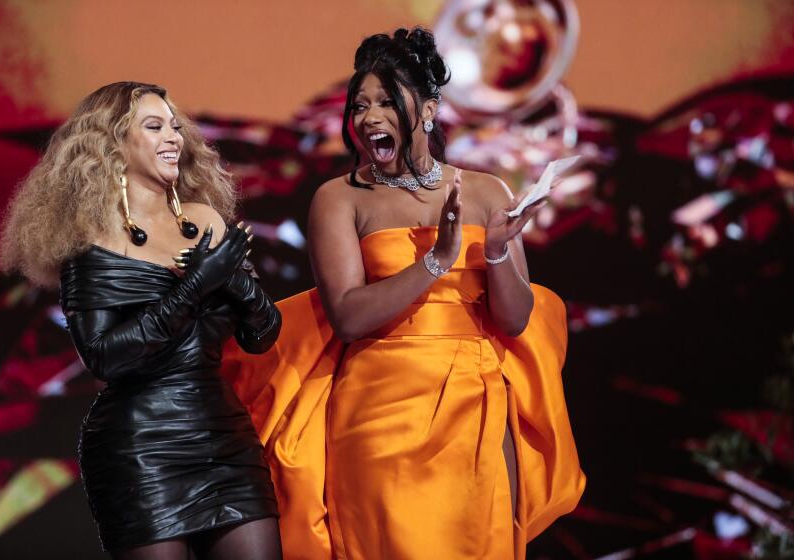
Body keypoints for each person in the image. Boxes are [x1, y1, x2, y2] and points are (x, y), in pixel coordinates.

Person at [225, 28, 585, 560]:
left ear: (430, 109)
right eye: (360, 105)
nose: (370, 117)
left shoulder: (486, 191)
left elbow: (513, 320)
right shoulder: (340, 199)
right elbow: (347, 316)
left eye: (387, 101)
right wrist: (437, 260)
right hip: (378, 415)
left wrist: (496, 252)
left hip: (476, 409)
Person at [0, 82, 282, 560]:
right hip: (142, 447)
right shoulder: (90, 238)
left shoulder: (205, 218)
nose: (173, 137)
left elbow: (262, 334)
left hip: (225, 437)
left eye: (174, 126)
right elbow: (106, 357)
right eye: (154, 126)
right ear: (113, 144)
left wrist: (236, 282)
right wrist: (195, 285)